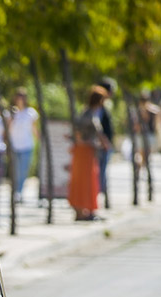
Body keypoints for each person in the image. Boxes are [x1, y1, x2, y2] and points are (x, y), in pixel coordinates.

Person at [68, 85, 111, 222]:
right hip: (84, 151)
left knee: (89, 180)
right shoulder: (88, 114)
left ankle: (87, 210)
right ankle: (81, 211)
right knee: (84, 181)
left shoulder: (88, 112)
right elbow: (81, 132)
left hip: (87, 151)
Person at [8, 87, 40, 203]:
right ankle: (16, 191)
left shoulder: (31, 113)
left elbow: (34, 129)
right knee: (15, 171)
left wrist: (40, 139)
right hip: (14, 146)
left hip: (27, 146)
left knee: (23, 170)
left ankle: (19, 193)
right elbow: (8, 129)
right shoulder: (11, 112)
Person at [96, 78, 116, 209]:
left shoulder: (105, 107)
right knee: (99, 175)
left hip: (105, 145)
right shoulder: (98, 109)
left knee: (102, 174)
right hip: (101, 146)